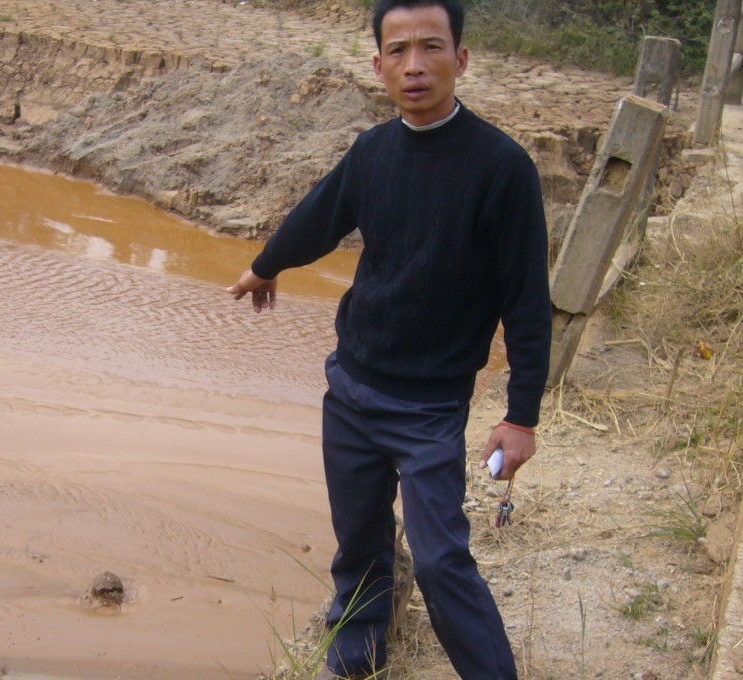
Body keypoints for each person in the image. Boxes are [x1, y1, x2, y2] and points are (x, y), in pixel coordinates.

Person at [226, 0, 551, 678]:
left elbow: (526, 301)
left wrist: (521, 416)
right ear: (377, 65)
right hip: (352, 389)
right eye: (398, 51)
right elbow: (320, 214)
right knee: (359, 548)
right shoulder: (373, 150)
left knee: (439, 560)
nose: (414, 66)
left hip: (430, 408)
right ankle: (357, 662)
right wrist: (266, 265)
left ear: (460, 58)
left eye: (431, 47)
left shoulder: (502, 167)